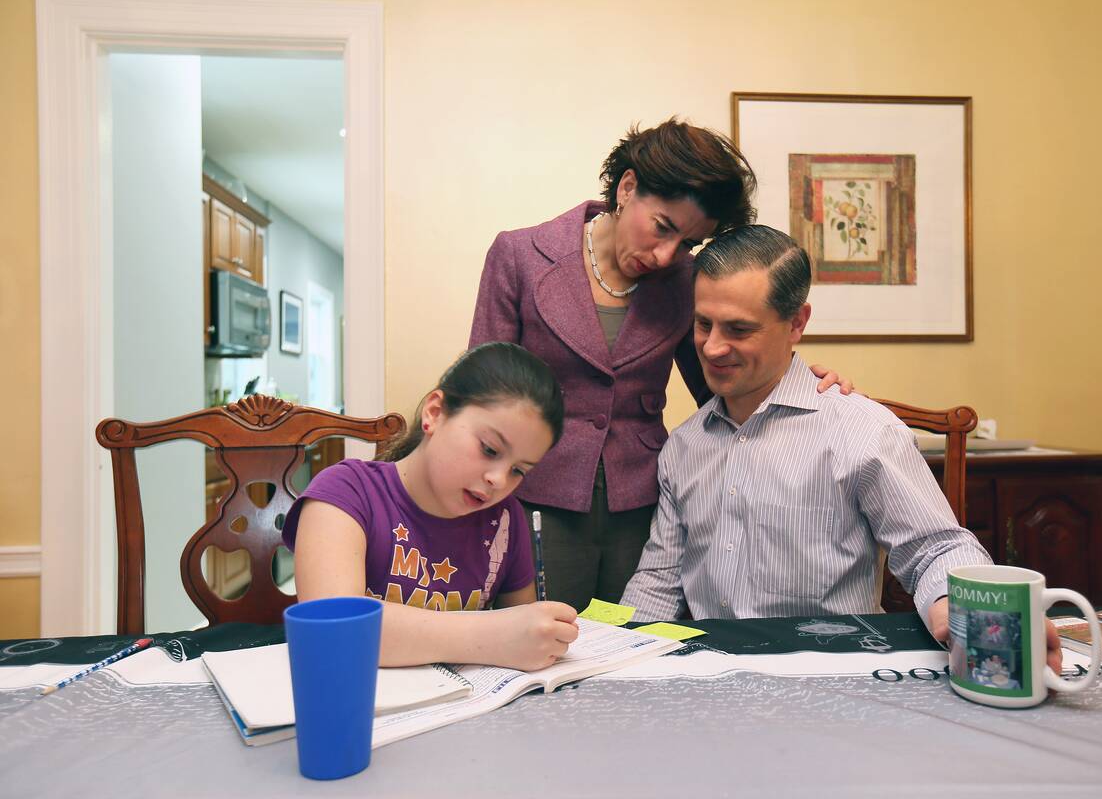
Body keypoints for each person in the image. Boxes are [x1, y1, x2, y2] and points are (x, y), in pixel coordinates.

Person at [619, 224, 1062, 668]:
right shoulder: (684, 445)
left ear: (797, 323)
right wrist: (612, 655)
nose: (713, 347)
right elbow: (659, 579)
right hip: (712, 676)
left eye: (739, 329)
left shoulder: (862, 431)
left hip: (833, 671)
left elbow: (936, 548)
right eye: (703, 324)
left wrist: (967, 606)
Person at [469, 118, 852, 612]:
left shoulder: (686, 280)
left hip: (644, 503)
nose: (668, 255)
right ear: (627, 188)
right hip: (535, 494)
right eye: (663, 228)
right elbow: (481, 394)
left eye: (688, 243)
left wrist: (797, 382)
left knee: (640, 642)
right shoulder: (520, 255)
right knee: (542, 640)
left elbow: (723, 384)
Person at [283, 342, 580, 671]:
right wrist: (493, 636)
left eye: (519, 470)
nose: (499, 479)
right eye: (490, 449)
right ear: (435, 413)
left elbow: (525, 636)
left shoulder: (505, 520)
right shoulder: (345, 491)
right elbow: (334, 632)